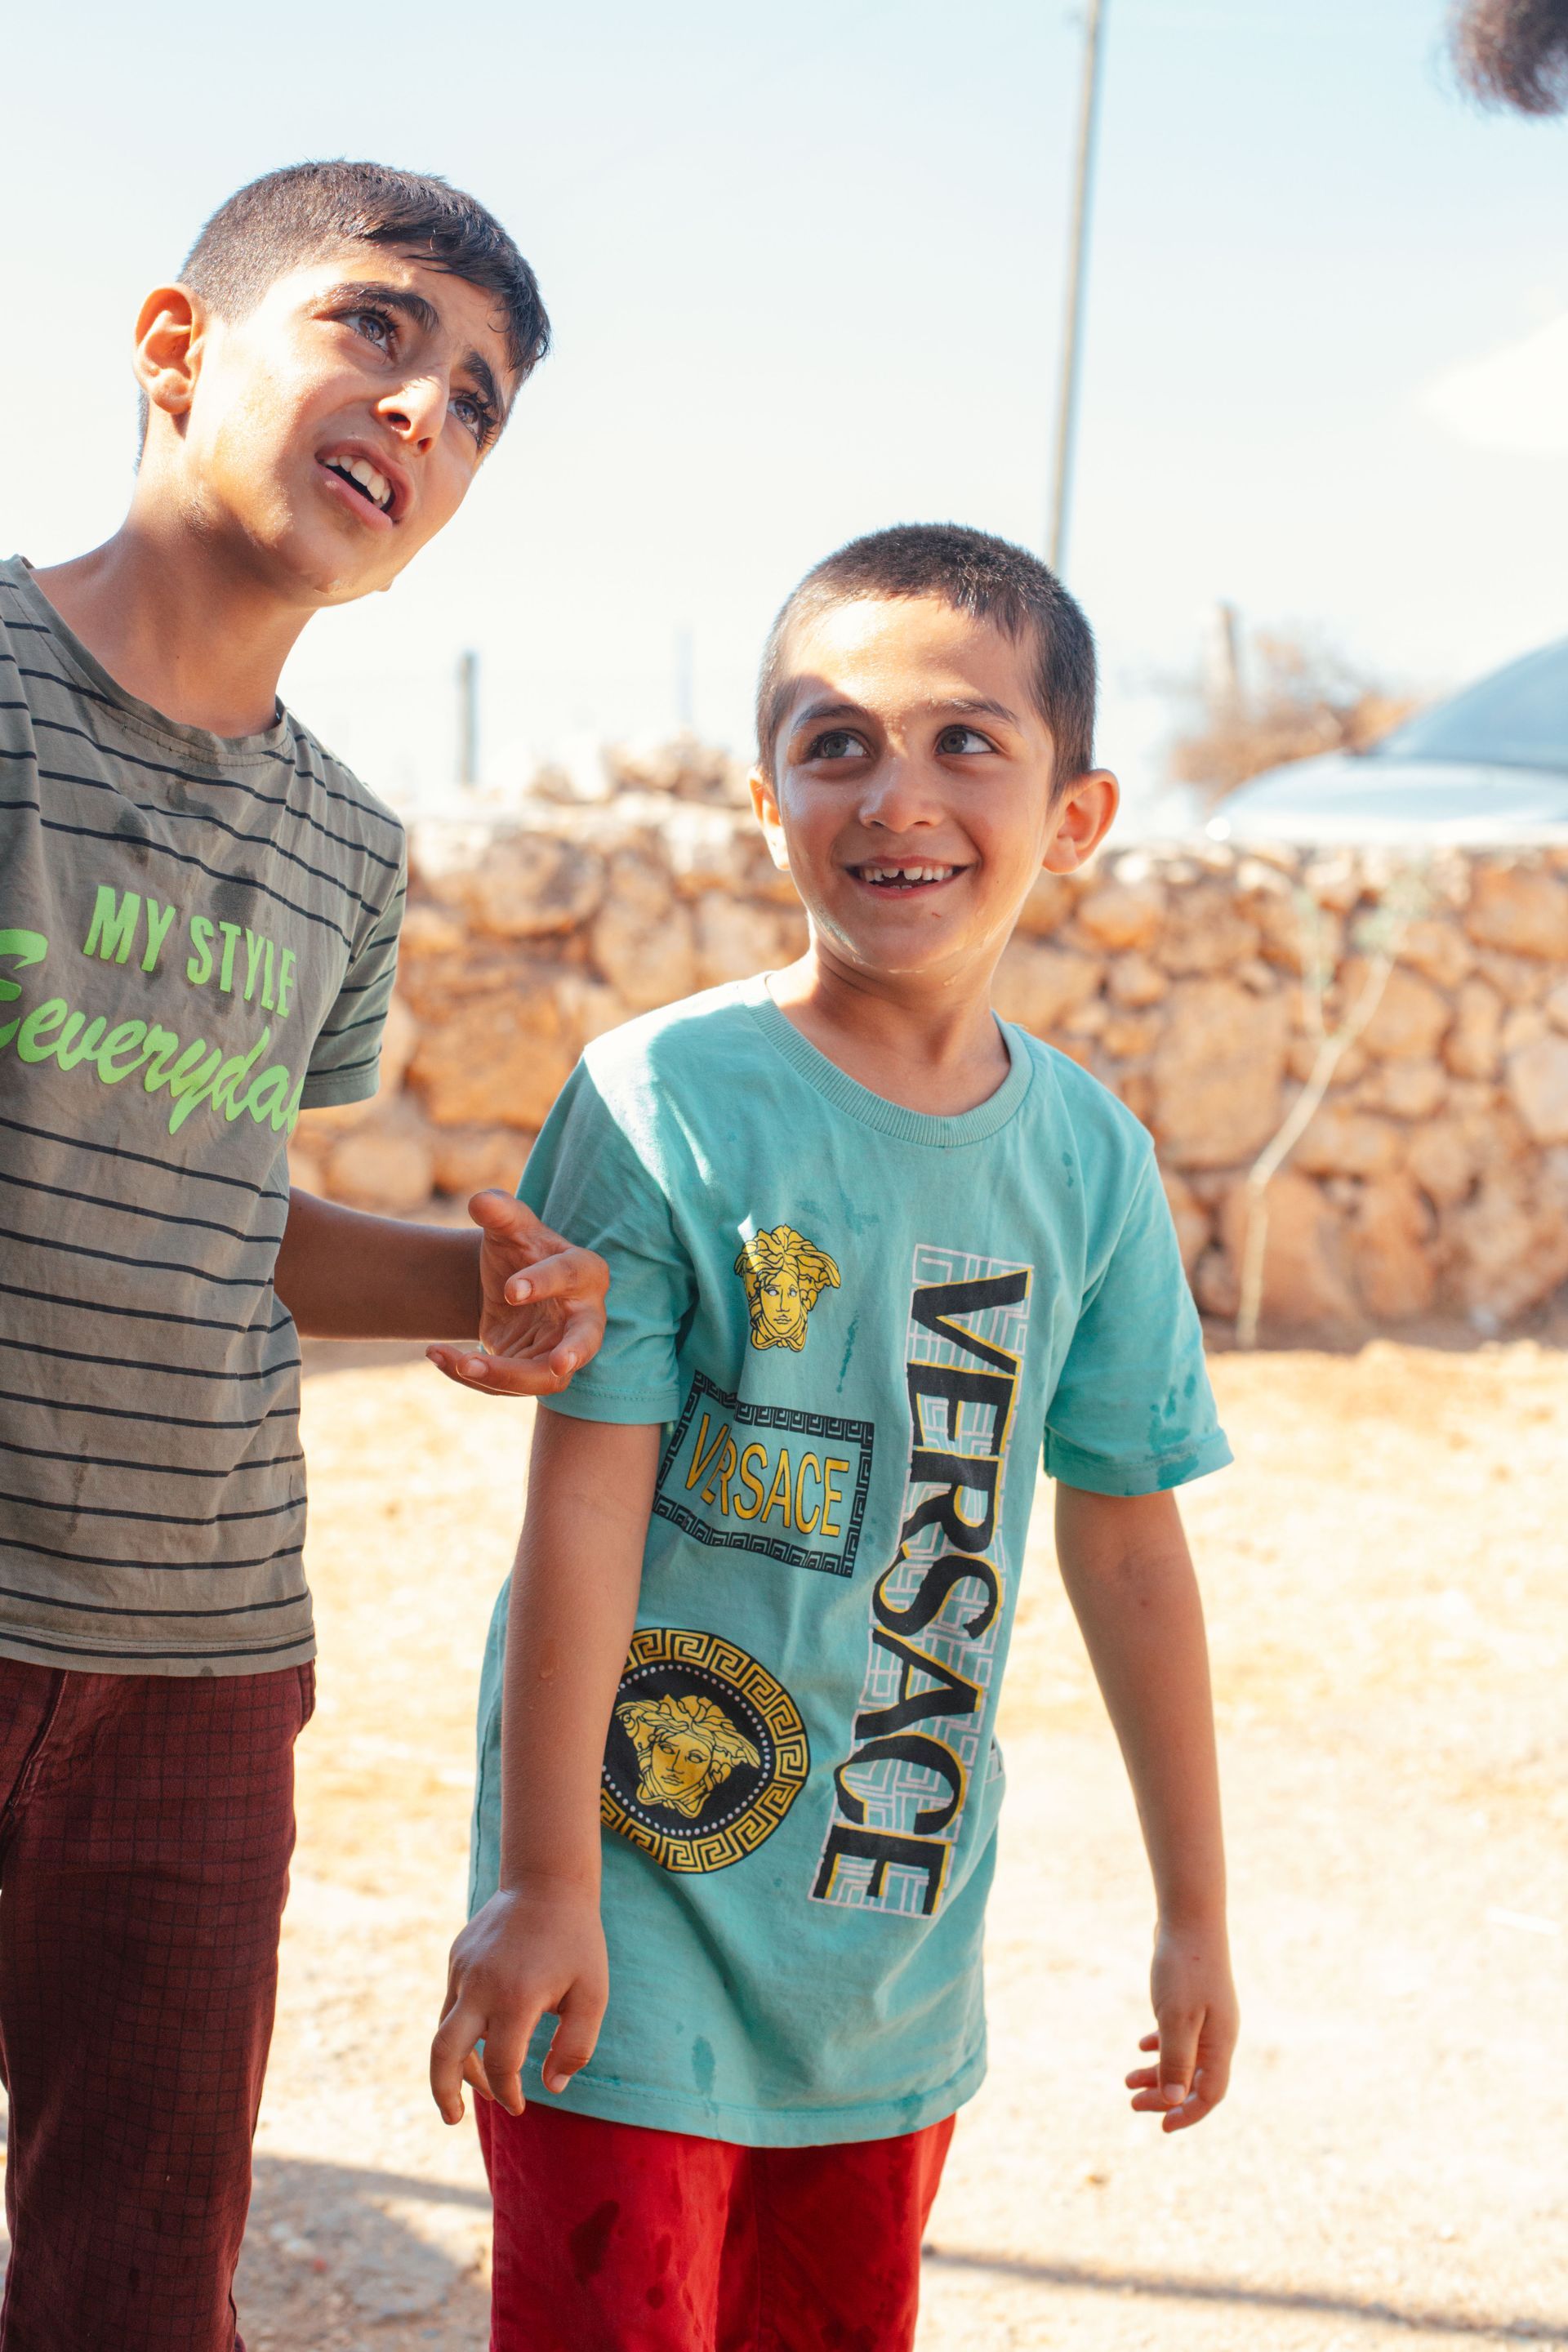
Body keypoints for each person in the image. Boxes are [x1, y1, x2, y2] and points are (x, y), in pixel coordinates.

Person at [434, 523, 1241, 2351]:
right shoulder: (663, 1100)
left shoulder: (1091, 1162)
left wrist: (1195, 1913)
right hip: (630, 1917)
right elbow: (583, 1509)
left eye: (967, 742)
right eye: (837, 743)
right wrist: (543, 1884)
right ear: (765, 798)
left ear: (1078, 813)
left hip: (888, 1945)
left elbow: (1127, 1538)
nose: (899, 794)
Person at [0, 162, 608, 2350]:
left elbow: (204, 1205)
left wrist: (468, 1290)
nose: (427, 407)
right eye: (376, 328)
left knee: (139, 2289)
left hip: (202, 1667)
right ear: (176, 349)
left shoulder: (350, 847)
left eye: (479, 400)